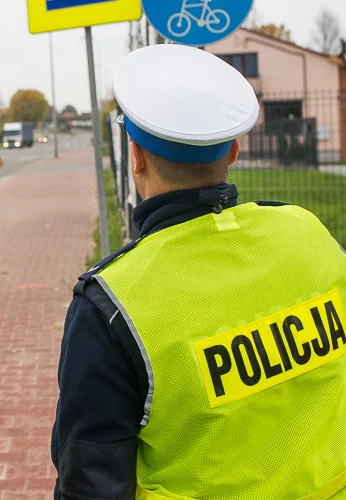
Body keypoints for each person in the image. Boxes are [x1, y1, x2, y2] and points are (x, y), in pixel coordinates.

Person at [51, 44, 346, 499]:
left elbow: (90, 483)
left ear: (136, 157)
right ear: (234, 149)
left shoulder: (110, 305)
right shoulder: (308, 234)